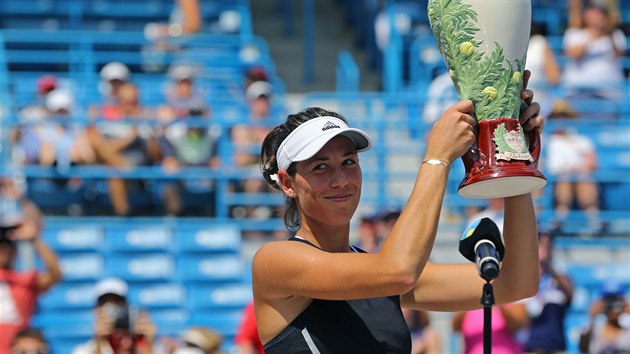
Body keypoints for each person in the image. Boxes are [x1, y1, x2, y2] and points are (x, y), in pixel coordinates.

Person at [252, 70, 543, 352]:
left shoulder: (380, 272)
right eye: (320, 167)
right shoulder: (274, 262)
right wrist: (437, 157)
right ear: (288, 183)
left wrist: (514, 159)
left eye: (349, 162)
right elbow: (398, 271)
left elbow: (516, 283)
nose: (340, 180)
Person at [0, 177, 62, 354]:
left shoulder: (24, 282)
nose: (4, 249)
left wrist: (35, 240)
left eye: (8, 244)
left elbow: (56, 273)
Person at [88, 82, 160, 216]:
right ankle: (123, 214)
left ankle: (123, 215)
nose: (131, 105)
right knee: (107, 159)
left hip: (138, 165)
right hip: (116, 163)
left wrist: (152, 135)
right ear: (119, 101)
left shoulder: (146, 121)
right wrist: (130, 137)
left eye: (134, 101)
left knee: (114, 170)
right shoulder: (110, 121)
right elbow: (101, 147)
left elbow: (155, 156)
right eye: (127, 101)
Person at [72, 277, 160, 354]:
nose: (112, 311)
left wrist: (148, 345)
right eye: (106, 305)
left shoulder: (146, 343)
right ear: (96, 311)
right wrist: (99, 344)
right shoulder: (83, 350)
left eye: (117, 304)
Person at [562, 0, 626, 103]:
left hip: (607, 94)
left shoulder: (615, 34)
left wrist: (608, 33)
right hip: (578, 93)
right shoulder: (574, 33)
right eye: (593, 11)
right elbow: (573, 54)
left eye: (600, 12)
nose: (597, 15)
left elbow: (619, 54)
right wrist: (593, 35)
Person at [523, 230, 574, 354]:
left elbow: (570, 295)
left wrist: (548, 266)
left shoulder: (559, 277)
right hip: (531, 344)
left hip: (556, 345)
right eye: (540, 242)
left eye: (548, 243)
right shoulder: (525, 278)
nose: (544, 247)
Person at [452, 302, 530, 354]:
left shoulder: (514, 301)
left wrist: (498, 300)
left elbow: (516, 325)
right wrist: (469, 302)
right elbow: (455, 327)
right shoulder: (472, 305)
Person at [579, 281, 630, 353]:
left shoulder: (627, 332)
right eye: (609, 301)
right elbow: (582, 349)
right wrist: (591, 318)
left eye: (616, 301)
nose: (613, 306)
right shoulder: (595, 331)